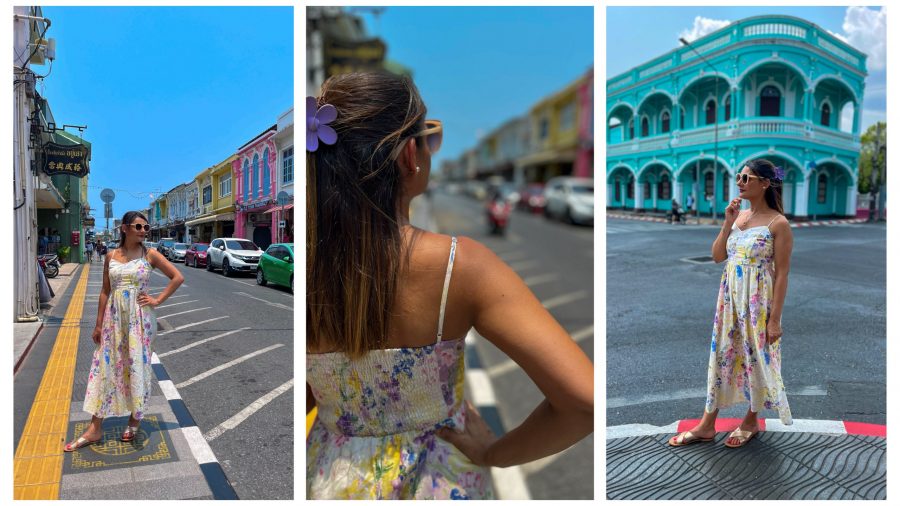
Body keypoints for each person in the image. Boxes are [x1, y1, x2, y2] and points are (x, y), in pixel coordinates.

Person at [306, 72, 593, 499]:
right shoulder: (460, 265)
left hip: (329, 480)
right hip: (439, 480)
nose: (431, 149)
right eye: (429, 137)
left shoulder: (307, 267)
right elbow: (583, 402)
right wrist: (494, 453)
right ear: (410, 154)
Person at [669, 159, 793, 449]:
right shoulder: (739, 217)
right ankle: (706, 424)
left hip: (758, 301)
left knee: (756, 359)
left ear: (765, 184)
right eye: (739, 176)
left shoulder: (778, 224)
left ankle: (750, 420)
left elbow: (783, 274)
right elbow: (717, 256)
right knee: (723, 355)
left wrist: (775, 320)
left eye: (747, 178)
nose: (740, 182)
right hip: (729, 299)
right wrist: (727, 222)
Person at [64, 211, 184, 452]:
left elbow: (177, 277)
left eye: (146, 227)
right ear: (125, 228)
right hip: (114, 319)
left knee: (137, 366)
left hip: (140, 320)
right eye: (138, 226)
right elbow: (105, 291)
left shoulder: (150, 254)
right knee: (105, 367)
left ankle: (134, 419)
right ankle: (95, 427)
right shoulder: (111, 256)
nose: (143, 231)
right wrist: (98, 324)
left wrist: (157, 300)